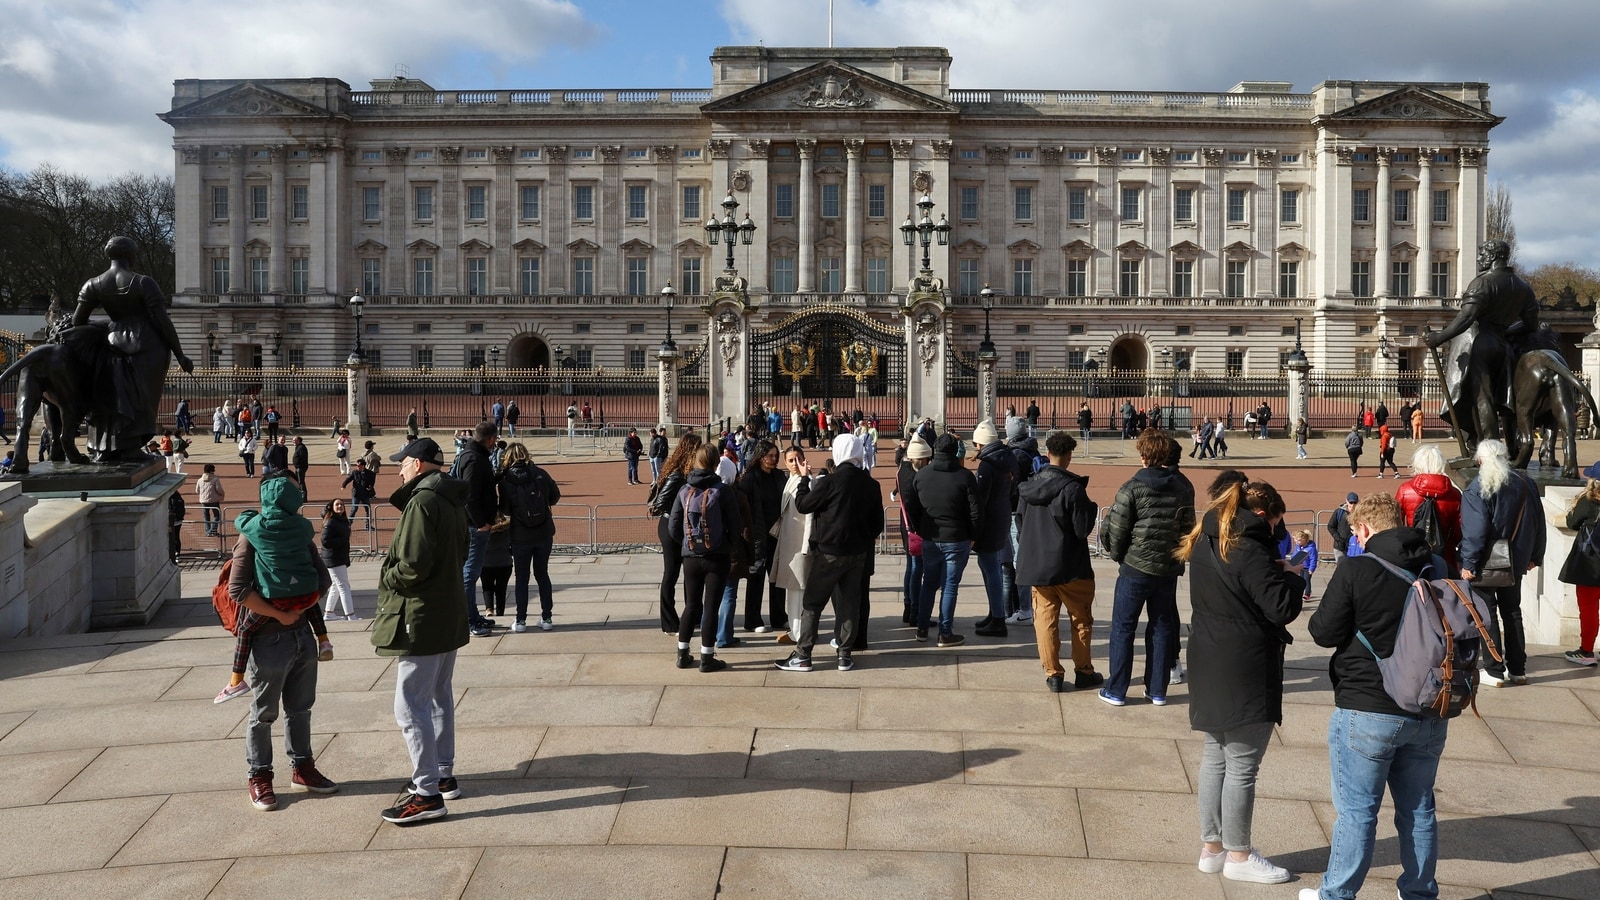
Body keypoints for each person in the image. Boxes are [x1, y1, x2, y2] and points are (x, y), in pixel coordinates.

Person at [1303, 492, 1447, 900]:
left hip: (1369, 704)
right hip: (1429, 704)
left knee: (1358, 812)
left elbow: (1322, 632)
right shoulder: (1436, 564)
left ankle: (1337, 893)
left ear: (1364, 529)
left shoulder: (1357, 568)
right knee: (1419, 809)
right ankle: (1419, 892)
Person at [1177, 478, 1304, 885]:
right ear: (1263, 517)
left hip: (1207, 656)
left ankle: (1212, 848)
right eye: (1275, 525)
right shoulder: (1249, 549)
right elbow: (1281, 608)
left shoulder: (1206, 539)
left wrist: (1274, 568)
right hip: (1243, 662)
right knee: (1242, 767)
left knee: (1215, 758)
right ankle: (1238, 853)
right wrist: (1293, 576)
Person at [225, 472, 338, 811]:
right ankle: (259, 775)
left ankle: (302, 767)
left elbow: (321, 579)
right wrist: (281, 614)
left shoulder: (297, 531)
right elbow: (238, 590)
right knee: (263, 713)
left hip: (302, 633)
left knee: (301, 708)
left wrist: (301, 609)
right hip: (269, 639)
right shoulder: (251, 537)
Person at [373, 436, 471, 824]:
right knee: (437, 697)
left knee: (409, 704)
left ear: (417, 464)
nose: (398, 469)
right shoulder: (449, 498)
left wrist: (388, 576)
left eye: (402, 463)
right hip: (446, 611)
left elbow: (412, 565)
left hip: (421, 615)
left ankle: (427, 792)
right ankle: (443, 774)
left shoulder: (422, 501)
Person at [70, 236, 195, 459]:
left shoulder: (93, 283)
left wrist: (107, 327)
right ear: (130, 256)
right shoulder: (142, 282)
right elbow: (162, 321)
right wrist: (179, 354)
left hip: (111, 343)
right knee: (142, 399)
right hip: (147, 345)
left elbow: (78, 322)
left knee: (110, 395)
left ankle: (104, 448)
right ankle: (130, 447)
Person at [215, 472, 335, 700]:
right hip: (304, 613)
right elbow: (324, 579)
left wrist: (281, 615)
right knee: (300, 712)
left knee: (244, 630)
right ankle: (324, 640)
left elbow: (238, 590)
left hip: (273, 619)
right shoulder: (302, 529)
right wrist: (299, 610)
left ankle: (236, 680)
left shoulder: (254, 530)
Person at [1100, 430, 1194, 706]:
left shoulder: (1131, 487)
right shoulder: (1184, 486)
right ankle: (1157, 689)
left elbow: (1117, 530)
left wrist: (1119, 556)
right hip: (1166, 568)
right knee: (1162, 626)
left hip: (1135, 567)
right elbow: (1188, 528)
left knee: (1123, 628)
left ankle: (1117, 689)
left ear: (1143, 456)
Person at [774, 432, 883, 672]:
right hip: (857, 554)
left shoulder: (830, 482)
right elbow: (878, 525)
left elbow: (803, 504)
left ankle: (803, 654)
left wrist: (804, 479)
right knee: (848, 604)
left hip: (829, 552)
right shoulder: (871, 484)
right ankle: (844, 654)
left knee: (813, 603)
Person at [1424, 239, 1540, 449]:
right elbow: (1531, 325)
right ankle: (1483, 442)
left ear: (1494, 256)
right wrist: (1505, 333)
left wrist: (1438, 338)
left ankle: (1490, 449)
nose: (1479, 259)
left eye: (1482, 254)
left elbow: (1466, 317)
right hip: (1502, 346)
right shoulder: (1524, 287)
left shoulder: (1483, 282)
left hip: (1477, 341)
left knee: (1481, 396)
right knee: (1496, 398)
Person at [1015, 430, 1104, 692]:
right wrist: (1091, 509)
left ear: (1048, 454)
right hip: (1071, 565)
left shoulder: (1029, 487)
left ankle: (1053, 672)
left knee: (1045, 620)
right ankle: (1083, 670)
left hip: (1038, 565)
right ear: (1068, 456)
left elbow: (1020, 524)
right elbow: (1080, 530)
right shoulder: (1073, 488)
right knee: (1080, 619)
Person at [1459, 438, 1545, 687]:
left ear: (1480, 460)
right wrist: (1535, 556)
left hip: (1487, 561)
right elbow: (1538, 523)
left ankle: (1495, 669)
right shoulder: (1525, 482)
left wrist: (1469, 563)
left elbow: (1475, 532)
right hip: (1516, 559)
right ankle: (1518, 669)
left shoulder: (1478, 487)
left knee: (1487, 613)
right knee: (1513, 612)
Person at [667, 444, 742, 673]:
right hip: (716, 556)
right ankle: (707, 657)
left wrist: (687, 544)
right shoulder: (723, 490)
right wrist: (725, 544)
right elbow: (736, 525)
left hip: (690, 556)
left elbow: (673, 526)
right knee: (711, 607)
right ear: (715, 464)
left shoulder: (684, 489)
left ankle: (682, 652)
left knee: (691, 605)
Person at [903, 433, 980, 647]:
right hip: (956, 537)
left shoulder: (922, 475)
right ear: (955, 451)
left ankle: (921, 627)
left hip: (930, 536)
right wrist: (973, 536)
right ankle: (945, 632)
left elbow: (912, 506)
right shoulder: (965, 476)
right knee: (949, 586)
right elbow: (975, 511)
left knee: (929, 583)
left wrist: (920, 529)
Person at [497, 442, 560, 633]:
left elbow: (505, 509)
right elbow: (555, 496)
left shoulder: (505, 480)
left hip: (520, 534)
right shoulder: (540, 473)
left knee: (521, 578)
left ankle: (521, 620)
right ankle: (547, 617)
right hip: (543, 532)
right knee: (543, 575)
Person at [648, 432, 704, 633]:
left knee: (692, 573)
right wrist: (680, 510)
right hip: (671, 527)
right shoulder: (678, 474)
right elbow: (660, 503)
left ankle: (695, 615)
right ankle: (669, 621)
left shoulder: (687, 471)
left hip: (683, 527)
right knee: (671, 573)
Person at [971, 420, 1018, 638]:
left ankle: (998, 618)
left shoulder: (987, 465)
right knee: (990, 567)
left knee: (990, 569)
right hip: (1000, 517)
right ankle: (994, 613)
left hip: (990, 521)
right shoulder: (1005, 459)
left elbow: (980, 499)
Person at [734, 440, 784, 633]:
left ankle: (779, 616)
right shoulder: (750, 479)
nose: (773, 459)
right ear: (761, 457)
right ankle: (752, 619)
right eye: (770, 456)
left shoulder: (779, 476)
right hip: (758, 535)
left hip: (777, 534)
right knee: (756, 577)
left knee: (777, 577)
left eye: (775, 456)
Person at [456, 422, 500, 637]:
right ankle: (468, 620)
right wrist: (481, 522)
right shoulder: (473, 458)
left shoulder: (473, 454)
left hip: (475, 524)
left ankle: (472, 614)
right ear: (490, 439)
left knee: (471, 573)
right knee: (469, 574)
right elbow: (469, 496)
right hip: (475, 526)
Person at [1396, 444, 1463, 574]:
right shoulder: (1454, 494)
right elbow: (1458, 532)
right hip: (1444, 556)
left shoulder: (1405, 490)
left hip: (1413, 553)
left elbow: (1396, 525)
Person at [770, 444, 814, 641]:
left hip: (799, 542)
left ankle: (800, 632)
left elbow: (811, 516)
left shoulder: (808, 482)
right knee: (792, 589)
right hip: (788, 540)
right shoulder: (790, 480)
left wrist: (807, 546)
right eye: (790, 460)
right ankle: (795, 630)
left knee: (800, 591)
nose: (795, 464)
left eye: (798, 459)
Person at [1559, 462, 1600, 667]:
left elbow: (1572, 523)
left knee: (1589, 609)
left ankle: (1586, 651)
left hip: (1590, 565)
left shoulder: (1588, 500)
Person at [321, 498, 356, 620]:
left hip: (338, 558)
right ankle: (351, 615)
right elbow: (325, 541)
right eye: (337, 504)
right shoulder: (330, 522)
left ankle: (328, 613)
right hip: (334, 559)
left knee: (336, 586)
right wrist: (343, 540)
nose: (340, 506)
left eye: (341, 504)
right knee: (344, 586)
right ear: (331, 507)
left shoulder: (341, 520)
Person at [343, 459, 377, 532]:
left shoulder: (370, 473)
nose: (357, 467)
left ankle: (368, 525)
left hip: (365, 494)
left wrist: (370, 487)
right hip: (356, 494)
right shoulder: (355, 472)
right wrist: (344, 485)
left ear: (363, 466)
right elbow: (349, 479)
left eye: (359, 466)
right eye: (356, 465)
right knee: (354, 509)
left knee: (368, 509)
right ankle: (348, 525)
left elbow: (372, 483)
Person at [1328, 492, 1357, 565]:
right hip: (1340, 547)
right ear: (1346, 501)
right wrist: (1338, 538)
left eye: (1355, 502)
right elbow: (1331, 526)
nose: (1352, 505)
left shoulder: (1360, 513)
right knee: (1341, 568)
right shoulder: (1339, 512)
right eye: (1351, 502)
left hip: (1354, 547)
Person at [198, 463, 226, 537]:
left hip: (203, 500)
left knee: (206, 516)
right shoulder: (215, 479)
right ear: (211, 471)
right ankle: (213, 530)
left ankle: (208, 530)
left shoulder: (200, 480)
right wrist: (222, 494)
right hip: (214, 500)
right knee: (217, 515)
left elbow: (197, 490)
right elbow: (219, 489)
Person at [1292, 530, 1318, 600]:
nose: (1297, 542)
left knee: (1307, 580)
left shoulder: (1311, 549)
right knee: (1301, 580)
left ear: (1304, 540)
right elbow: (1295, 555)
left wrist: (1311, 568)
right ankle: (1301, 592)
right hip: (1300, 566)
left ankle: (1307, 594)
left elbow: (1313, 559)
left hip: (1308, 567)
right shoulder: (1298, 546)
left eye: (1299, 540)